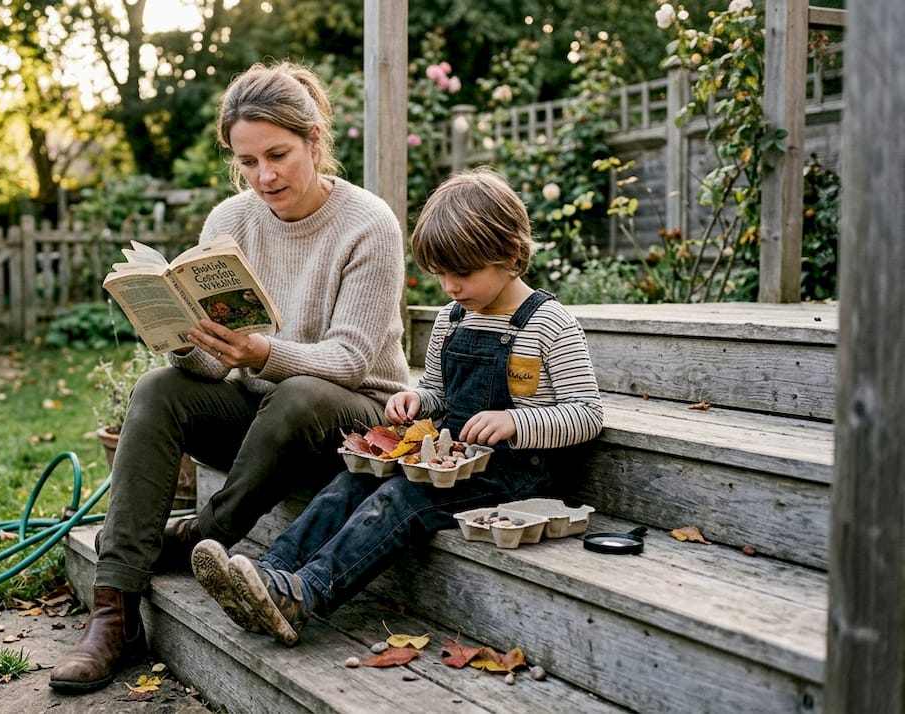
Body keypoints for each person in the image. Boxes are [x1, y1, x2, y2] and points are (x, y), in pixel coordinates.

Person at [48, 60, 412, 692]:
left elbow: (352, 360)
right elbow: (218, 365)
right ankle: (114, 613)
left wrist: (260, 353)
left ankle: (205, 534)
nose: (263, 176)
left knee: (297, 394)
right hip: (259, 419)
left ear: (314, 138)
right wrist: (185, 343)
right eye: (247, 161)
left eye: (278, 155)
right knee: (159, 389)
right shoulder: (230, 221)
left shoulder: (368, 223)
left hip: (354, 425)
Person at [190, 167, 605, 646]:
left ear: (511, 254)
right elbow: (440, 393)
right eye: (440, 274)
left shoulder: (548, 324)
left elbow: (586, 414)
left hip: (515, 474)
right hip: (452, 462)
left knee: (399, 499)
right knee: (355, 479)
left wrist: (516, 420)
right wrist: (417, 400)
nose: (450, 287)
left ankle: (306, 593)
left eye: (462, 273)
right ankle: (268, 573)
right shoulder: (453, 319)